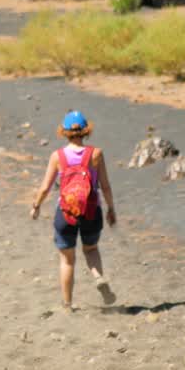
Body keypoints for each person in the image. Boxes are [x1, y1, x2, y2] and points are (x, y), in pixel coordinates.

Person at [30, 110, 117, 309]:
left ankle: (67, 304)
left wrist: (36, 206)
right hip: (91, 211)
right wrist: (111, 209)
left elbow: (45, 187)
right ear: (86, 131)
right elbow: (105, 186)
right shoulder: (96, 154)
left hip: (65, 213)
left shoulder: (57, 156)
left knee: (67, 260)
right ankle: (98, 276)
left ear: (64, 132)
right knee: (91, 249)